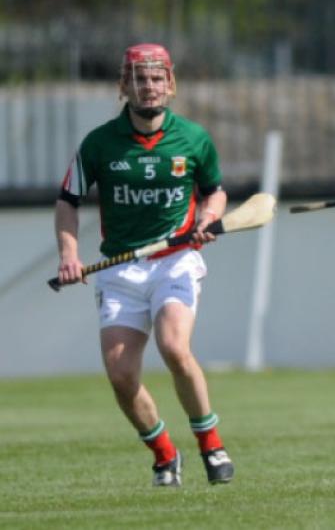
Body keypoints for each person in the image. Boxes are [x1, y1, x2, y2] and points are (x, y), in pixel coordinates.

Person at [54, 43, 235, 487]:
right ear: (123, 86)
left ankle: (211, 444)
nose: (148, 86)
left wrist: (208, 218)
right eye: (139, 78)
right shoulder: (98, 143)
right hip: (120, 268)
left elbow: (215, 192)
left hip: (175, 261)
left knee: (174, 347)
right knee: (120, 373)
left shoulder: (193, 138)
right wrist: (69, 255)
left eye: (156, 78)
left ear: (170, 85)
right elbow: (68, 201)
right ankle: (164, 454)